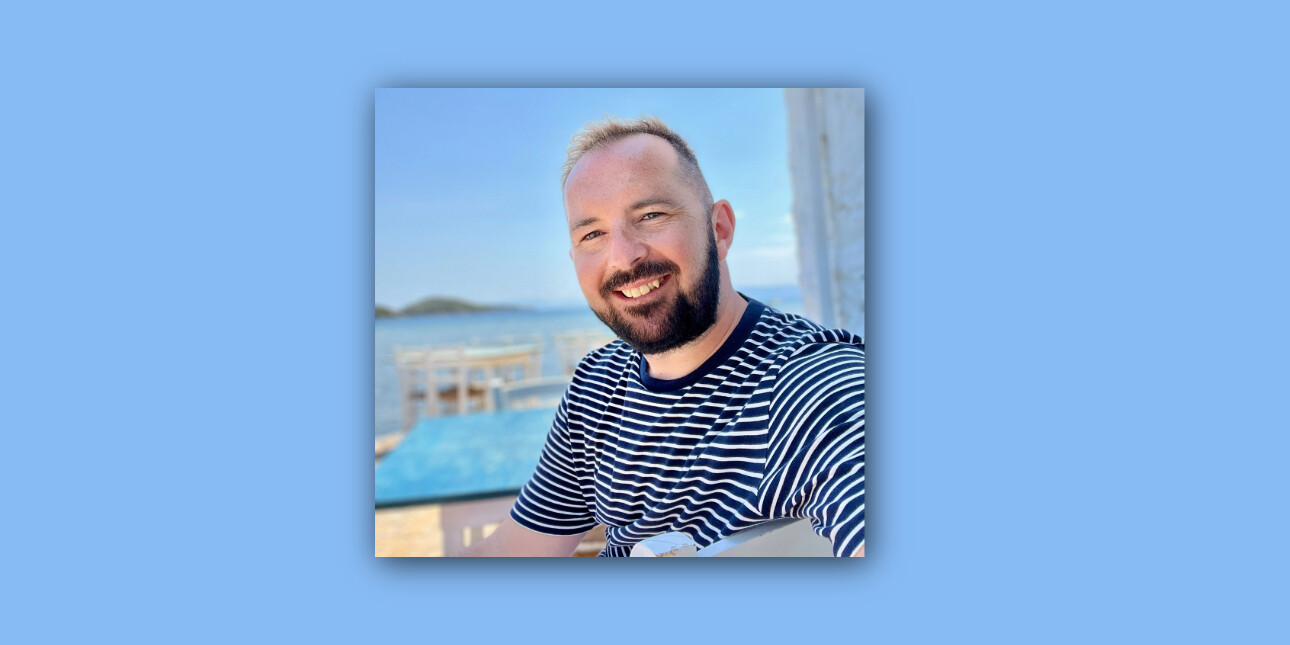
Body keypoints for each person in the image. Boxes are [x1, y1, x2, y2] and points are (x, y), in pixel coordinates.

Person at [460, 116, 865, 557]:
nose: (623, 256)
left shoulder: (815, 386)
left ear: (720, 229)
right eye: (592, 233)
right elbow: (516, 551)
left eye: (651, 215)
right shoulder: (596, 386)